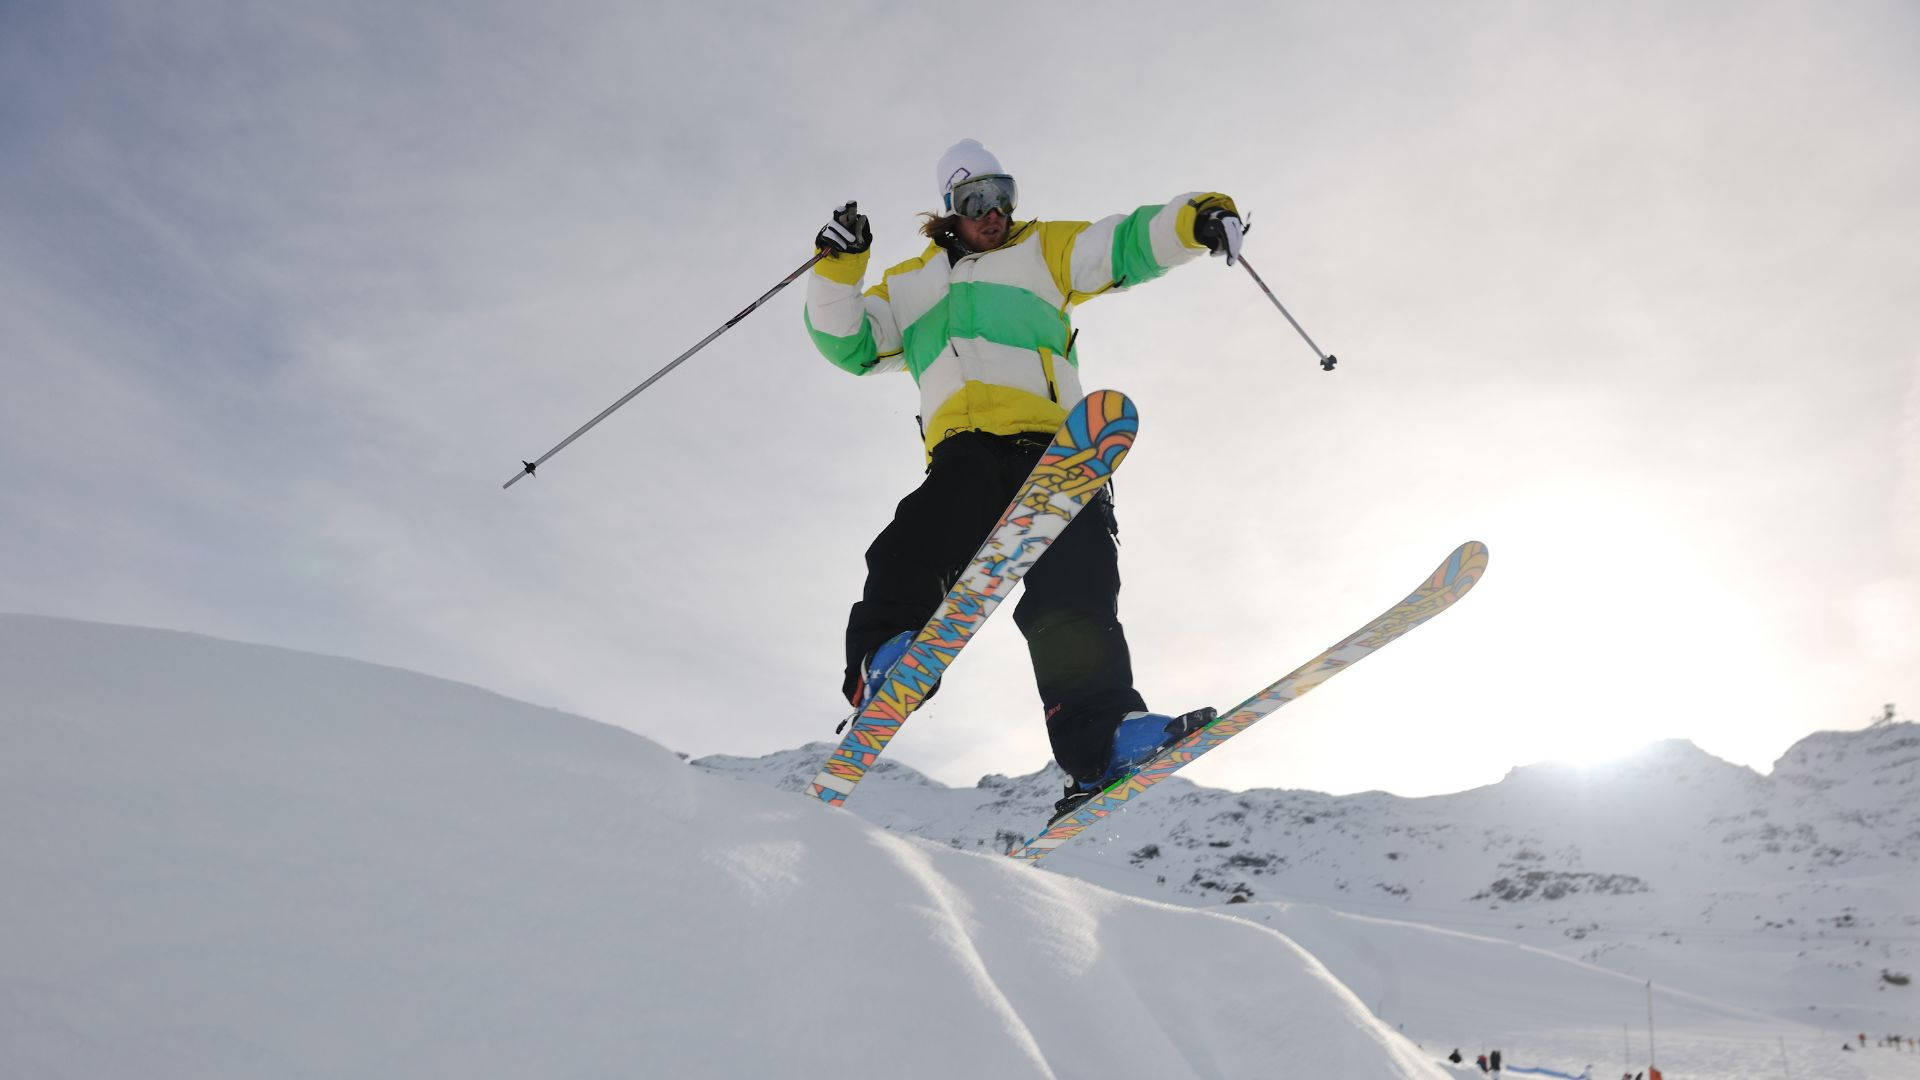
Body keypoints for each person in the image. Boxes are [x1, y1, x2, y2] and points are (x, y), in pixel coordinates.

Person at [806, 138, 1243, 817]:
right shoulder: (909, 285)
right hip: (967, 449)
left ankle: (1103, 741)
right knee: (910, 546)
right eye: (976, 200)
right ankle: (884, 660)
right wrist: (838, 269)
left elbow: (1124, 244)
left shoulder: (1044, 251)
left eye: (1003, 195)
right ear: (949, 209)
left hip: (1057, 452)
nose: (993, 212)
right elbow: (850, 343)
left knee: (1076, 594)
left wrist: (1196, 220)